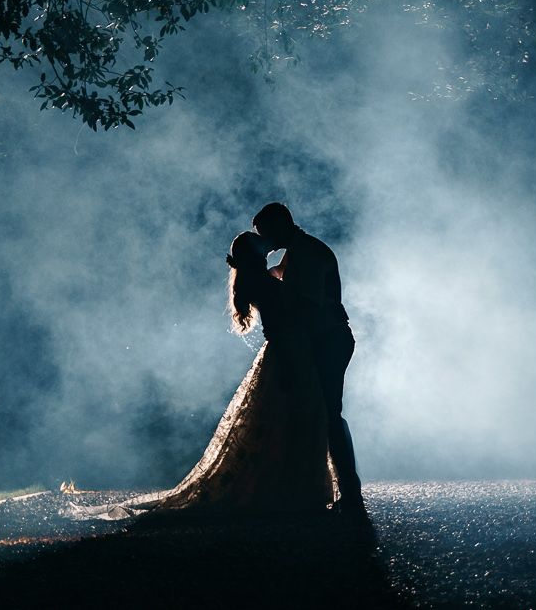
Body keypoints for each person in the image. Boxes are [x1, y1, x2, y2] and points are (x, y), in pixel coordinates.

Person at [111, 230, 335, 515]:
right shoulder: (261, 283)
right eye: (261, 243)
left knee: (283, 422)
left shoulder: (256, 279)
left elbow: (280, 276)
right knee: (289, 420)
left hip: (285, 352)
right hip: (286, 353)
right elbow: (280, 321)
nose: (267, 243)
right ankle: (290, 490)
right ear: (256, 253)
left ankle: (288, 488)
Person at [253, 202, 362, 513]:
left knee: (329, 412)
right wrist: (254, 271)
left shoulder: (310, 251)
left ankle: (350, 491)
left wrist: (269, 291)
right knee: (325, 412)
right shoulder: (300, 248)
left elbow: (309, 300)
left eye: (265, 234)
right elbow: (281, 274)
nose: (265, 242)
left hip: (328, 339)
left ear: (278, 227)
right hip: (322, 338)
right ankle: (343, 488)